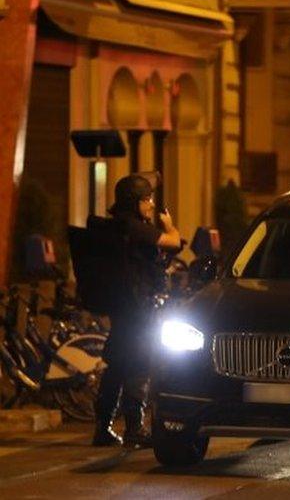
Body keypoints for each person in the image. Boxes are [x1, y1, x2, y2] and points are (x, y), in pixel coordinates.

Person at [92, 174, 182, 447]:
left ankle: (103, 428)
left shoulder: (117, 227)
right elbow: (173, 241)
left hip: (123, 307)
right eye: (147, 199)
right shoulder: (134, 227)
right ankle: (135, 428)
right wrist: (169, 225)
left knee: (118, 366)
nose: (152, 204)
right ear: (134, 201)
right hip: (139, 309)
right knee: (139, 365)